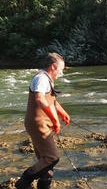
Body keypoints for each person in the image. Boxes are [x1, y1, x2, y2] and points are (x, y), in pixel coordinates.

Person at [15, 53, 70, 189]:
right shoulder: (41, 79)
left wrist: (63, 113)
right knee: (52, 158)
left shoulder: (46, 79)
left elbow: (51, 100)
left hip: (40, 123)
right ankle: (23, 182)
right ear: (53, 66)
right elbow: (40, 99)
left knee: (45, 161)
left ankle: (43, 185)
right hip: (38, 124)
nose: (60, 73)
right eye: (60, 70)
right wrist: (54, 120)